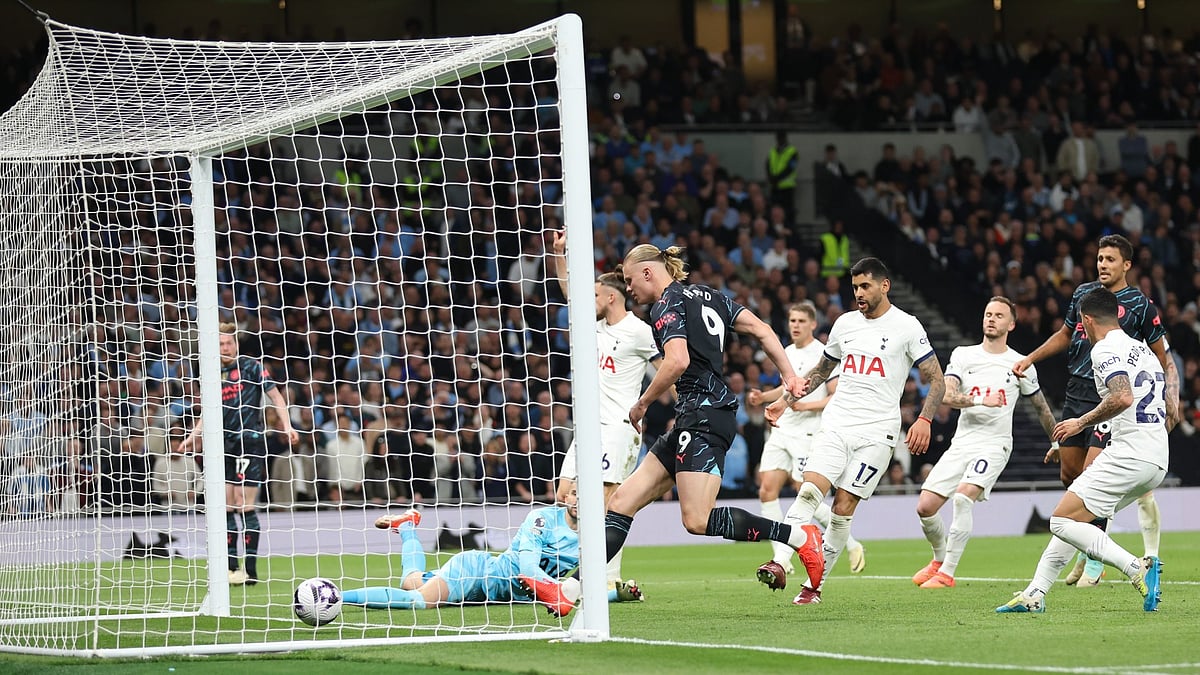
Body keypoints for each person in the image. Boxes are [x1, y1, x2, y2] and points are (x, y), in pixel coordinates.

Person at [602, 244, 826, 591]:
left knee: (697, 519)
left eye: (630, 281)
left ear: (648, 273)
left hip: (703, 415)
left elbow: (677, 361)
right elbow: (764, 329)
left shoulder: (666, 304)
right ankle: (574, 588)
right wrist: (789, 377)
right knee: (621, 502)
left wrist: (642, 403)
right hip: (695, 416)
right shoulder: (708, 295)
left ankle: (798, 536)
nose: (629, 289)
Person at [760, 257, 946, 605]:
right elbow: (821, 370)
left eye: (865, 286)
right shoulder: (845, 324)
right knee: (809, 492)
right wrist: (786, 400)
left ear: (884, 285)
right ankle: (781, 561)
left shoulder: (907, 326)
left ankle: (814, 587)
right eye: (855, 287)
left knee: (843, 508)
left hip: (877, 434)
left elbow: (936, 378)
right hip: (837, 424)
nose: (859, 293)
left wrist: (924, 419)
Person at [1011, 235, 1177, 586]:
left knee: (1091, 476)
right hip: (1080, 391)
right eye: (1100, 258)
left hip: (1114, 399)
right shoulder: (1084, 296)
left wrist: (1171, 400)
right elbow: (1065, 334)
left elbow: (1163, 356)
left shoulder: (1140, 305)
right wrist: (1030, 357)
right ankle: (1072, 559)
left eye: (1110, 259)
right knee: (1070, 476)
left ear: (1126, 265)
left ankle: (1096, 560)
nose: (1103, 264)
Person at [997, 288, 1164, 614]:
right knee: (1076, 519)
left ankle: (1135, 567)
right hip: (1155, 458)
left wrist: (1078, 424)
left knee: (1059, 520)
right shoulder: (1142, 350)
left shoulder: (1103, 350)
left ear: (1086, 321)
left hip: (1129, 455)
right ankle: (1035, 594)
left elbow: (1122, 398)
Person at [912, 297, 1058, 589]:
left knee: (964, 497)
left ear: (1011, 324)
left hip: (994, 445)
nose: (991, 319)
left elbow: (1041, 408)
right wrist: (980, 399)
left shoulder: (1020, 364)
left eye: (999, 315)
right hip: (963, 442)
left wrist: (1056, 440)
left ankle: (947, 574)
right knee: (925, 507)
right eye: (988, 314)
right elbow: (947, 394)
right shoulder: (964, 355)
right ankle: (939, 558)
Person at [549, 231, 657, 590]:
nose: (588, 299)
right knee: (564, 495)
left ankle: (608, 579)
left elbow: (671, 369)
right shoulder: (591, 328)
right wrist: (559, 253)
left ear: (611, 297)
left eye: (595, 294)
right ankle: (567, 570)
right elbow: (568, 291)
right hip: (588, 429)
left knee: (609, 502)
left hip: (617, 428)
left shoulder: (640, 333)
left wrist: (670, 405)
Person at [343, 488, 642, 618]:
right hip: (477, 573)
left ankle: (407, 526)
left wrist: (616, 594)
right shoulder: (542, 519)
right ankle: (336, 597)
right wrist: (555, 592)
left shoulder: (590, 538)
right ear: (565, 496)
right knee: (417, 601)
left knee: (411, 580)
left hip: (491, 594)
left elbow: (575, 590)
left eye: (585, 493)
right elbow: (527, 567)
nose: (579, 499)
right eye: (575, 492)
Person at [748, 301, 865, 579]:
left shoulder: (824, 354)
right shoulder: (786, 352)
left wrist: (805, 406)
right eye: (792, 321)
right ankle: (782, 557)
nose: (795, 326)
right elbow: (789, 385)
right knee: (766, 489)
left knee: (805, 492)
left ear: (813, 324)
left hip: (808, 432)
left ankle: (851, 543)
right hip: (782, 429)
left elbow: (834, 394)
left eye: (801, 321)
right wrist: (765, 397)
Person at [180, 322, 298, 585]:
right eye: (221, 344)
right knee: (225, 504)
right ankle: (232, 569)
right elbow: (209, 410)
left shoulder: (251, 366)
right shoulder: (211, 372)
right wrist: (193, 435)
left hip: (249, 441)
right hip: (222, 444)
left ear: (236, 344)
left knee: (243, 503)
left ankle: (252, 570)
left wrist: (287, 425)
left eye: (229, 343)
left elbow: (276, 397)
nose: (226, 347)